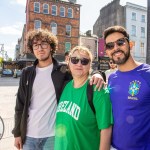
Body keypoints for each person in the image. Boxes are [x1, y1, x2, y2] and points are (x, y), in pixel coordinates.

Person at [12, 29, 105, 150]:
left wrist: (98, 74)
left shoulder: (63, 70)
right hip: (29, 135)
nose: (40, 48)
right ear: (32, 48)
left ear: (51, 47)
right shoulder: (27, 73)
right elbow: (20, 105)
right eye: (36, 45)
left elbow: (81, 68)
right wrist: (17, 133)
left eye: (44, 44)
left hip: (53, 136)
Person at [54, 46, 113, 150]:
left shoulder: (98, 89)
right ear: (68, 62)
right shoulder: (66, 86)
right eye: (75, 60)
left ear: (90, 64)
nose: (79, 64)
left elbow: (106, 129)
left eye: (84, 61)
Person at [103, 25, 150, 150]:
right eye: (110, 45)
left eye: (120, 42)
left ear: (130, 44)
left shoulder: (147, 74)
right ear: (107, 52)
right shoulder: (111, 78)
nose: (116, 48)